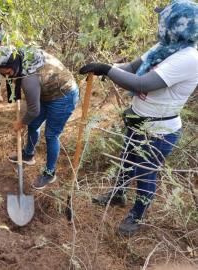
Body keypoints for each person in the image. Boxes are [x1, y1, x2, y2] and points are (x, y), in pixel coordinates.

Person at [79, 0, 198, 236]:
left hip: (159, 131)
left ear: (176, 24)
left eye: (163, 19)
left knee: (145, 171)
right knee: (126, 160)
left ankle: (137, 214)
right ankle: (118, 194)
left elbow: (143, 83)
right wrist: (108, 67)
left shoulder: (189, 58)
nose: (159, 23)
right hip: (138, 121)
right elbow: (132, 68)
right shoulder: (164, 47)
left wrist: (107, 69)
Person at [0, 46, 79, 189]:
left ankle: (49, 173)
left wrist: (21, 122)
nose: (5, 75)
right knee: (33, 124)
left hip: (64, 95)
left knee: (51, 135)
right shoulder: (20, 56)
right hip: (48, 91)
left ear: (11, 64)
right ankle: (28, 155)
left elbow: (33, 110)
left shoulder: (28, 78)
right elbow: (34, 109)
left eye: (5, 72)